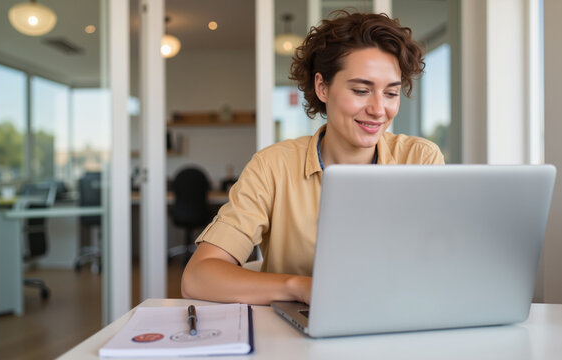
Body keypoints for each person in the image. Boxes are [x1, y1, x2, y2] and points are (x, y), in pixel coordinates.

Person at [181, 11, 444, 305]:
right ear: (322, 87)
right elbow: (198, 276)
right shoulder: (273, 167)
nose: (378, 109)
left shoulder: (420, 158)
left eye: (391, 93)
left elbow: (441, 263)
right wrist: (301, 288)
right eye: (361, 90)